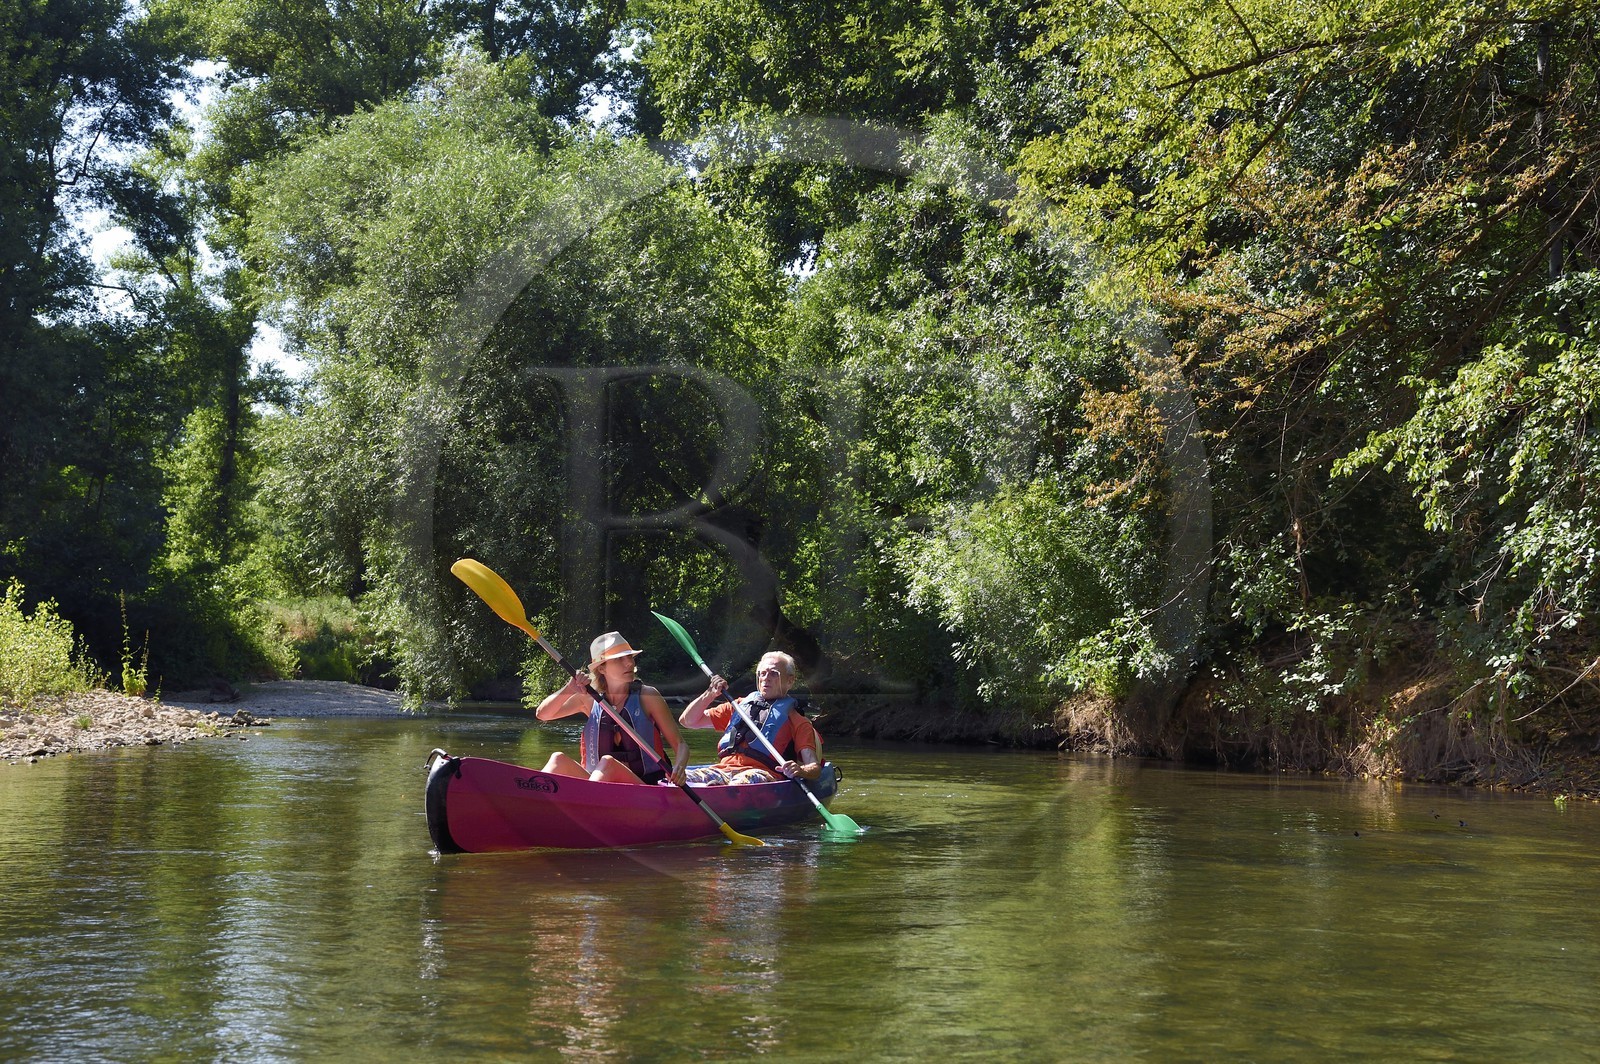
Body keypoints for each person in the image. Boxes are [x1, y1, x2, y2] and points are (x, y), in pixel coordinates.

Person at [535, 631, 689, 786]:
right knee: (558, 759)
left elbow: (680, 744)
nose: (629, 663)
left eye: (629, 657)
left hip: (646, 787)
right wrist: (569, 688)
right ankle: (533, 795)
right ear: (602, 669)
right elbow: (543, 714)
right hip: (599, 787)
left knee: (609, 764)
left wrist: (680, 768)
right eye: (619, 659)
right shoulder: (589, 698)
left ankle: (584, 800)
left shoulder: (648, 696)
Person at [678, 651, 822, 785]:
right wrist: (710, 694)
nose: (766, 678)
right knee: (680, 777)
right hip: (723, 771)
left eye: (773, 674)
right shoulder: (738, 706)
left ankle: (719, 793)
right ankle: (714, 791)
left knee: (744, 780)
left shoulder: (798, 721)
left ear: (790, 681)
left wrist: (801, 770)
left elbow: (814, 767)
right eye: (762, 673)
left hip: (761, 774)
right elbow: (688, 721)